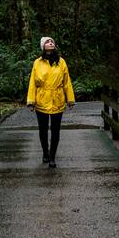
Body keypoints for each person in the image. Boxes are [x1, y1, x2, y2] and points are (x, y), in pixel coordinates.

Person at [25, 36, 75, 168]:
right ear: (43, 46)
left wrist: (70, 99)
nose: (50, 42)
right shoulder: (37, 62)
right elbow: (32, 83)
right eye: (47, 41)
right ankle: (45, 153)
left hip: (57, 99)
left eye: (52, 41)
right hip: (42, 99)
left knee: (55, 130)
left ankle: (52, 157)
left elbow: (66, 82)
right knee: (43, 130)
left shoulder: (61, 62)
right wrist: (31, 101)